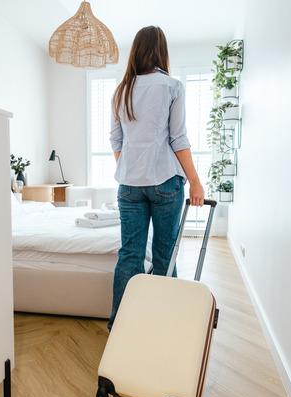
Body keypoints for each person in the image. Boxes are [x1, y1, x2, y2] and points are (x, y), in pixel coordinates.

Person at [108, 25, 205, 330]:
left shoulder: (121, 89)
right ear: (161, 51)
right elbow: (178, 138)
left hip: (128, 185)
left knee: (130, 255)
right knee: (165, 254)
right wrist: (195, 181)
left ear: (136, 50)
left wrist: (132, 168)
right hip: (165, 182)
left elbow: (115, 140)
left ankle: (120, 326)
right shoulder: (172, 87)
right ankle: (162, 325)